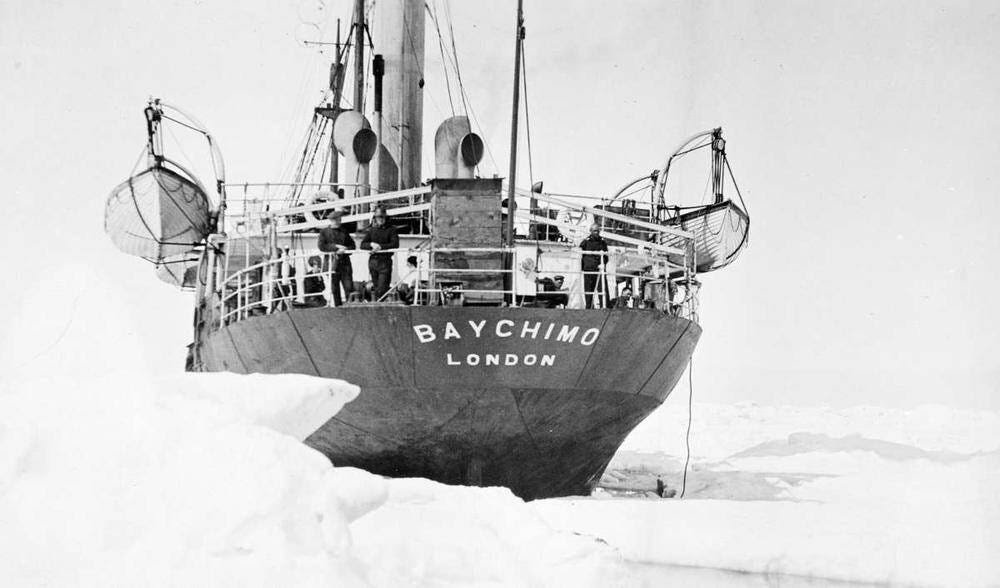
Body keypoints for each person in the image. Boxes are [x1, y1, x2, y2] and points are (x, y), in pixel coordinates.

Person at [317, 210, 355, 306]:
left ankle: (350, 306)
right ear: (332, 220)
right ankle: (338, 307)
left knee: (348, 286)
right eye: (337, 220)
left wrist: (345, 249)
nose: (339, 222)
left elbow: (352, 246)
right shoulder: (324, 232)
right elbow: (322, 246)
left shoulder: (344, 231)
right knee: (335, 288)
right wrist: (335, 247)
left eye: (339, 219)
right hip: (332, 264)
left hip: (344, 264)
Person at [360, 206, 399, 301]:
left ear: (386, 218)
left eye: (382, 217)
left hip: (385, 262)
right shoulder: (371, 230)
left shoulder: (391, 230)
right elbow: (362, 245)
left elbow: (395, 244)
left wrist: (380, 247)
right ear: (375, 218)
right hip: (373, 262)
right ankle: (378, 304)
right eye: (378, 217)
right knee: (376, 286)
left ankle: (380, 303)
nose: (380, 219)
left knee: (382, 288)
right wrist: (371, 244)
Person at [579, 222, 609, 309]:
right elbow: (581, 255)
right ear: (590, 231)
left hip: (600, 269)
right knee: (588, 290)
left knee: (603, 289)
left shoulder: (603, 242)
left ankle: (605, 306)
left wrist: (603, 264)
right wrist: (582, 267)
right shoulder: (585, 242)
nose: (596, 233)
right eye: (594, 231)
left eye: (597, 231)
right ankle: (589, 307)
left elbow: (606, 256)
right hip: (588, 269)